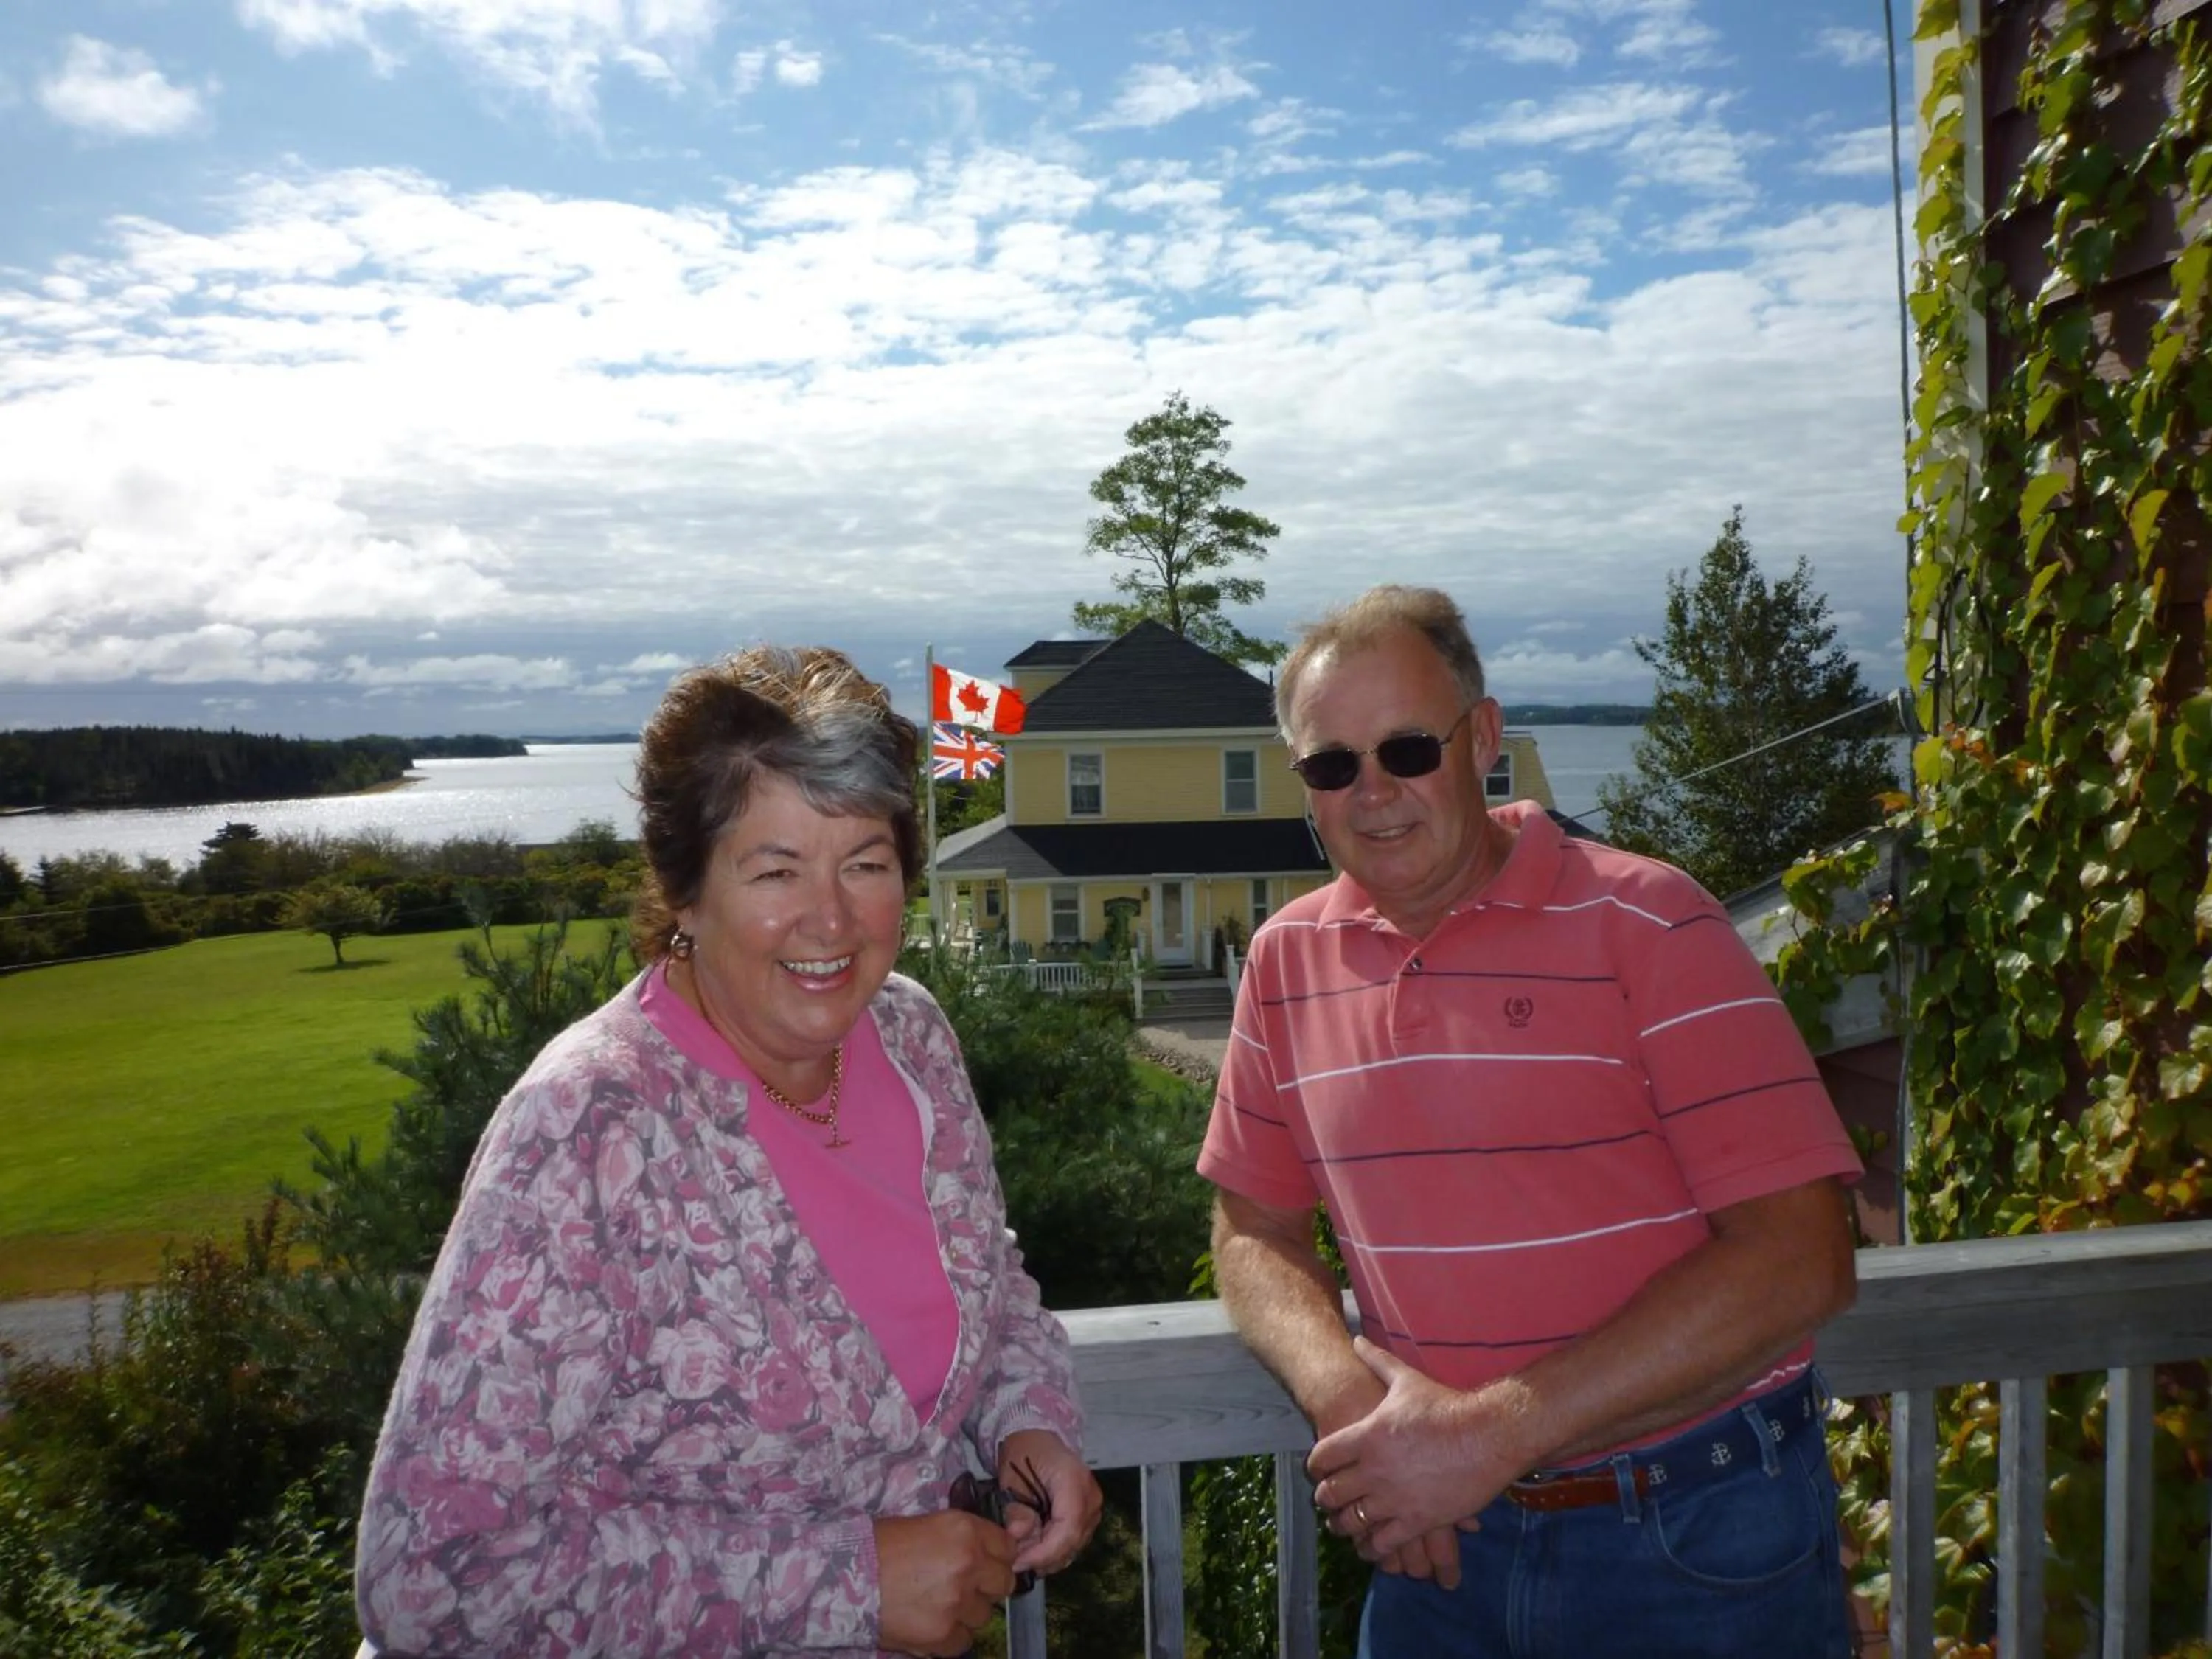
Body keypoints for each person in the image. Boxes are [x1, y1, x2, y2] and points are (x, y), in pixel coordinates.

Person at [355, 645, 1102, 1658]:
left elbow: (991, 1282)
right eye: (775, 868)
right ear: (684, 889)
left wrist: (1031, 1421)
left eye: (866, 863)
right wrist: (851, 1581)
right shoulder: (589, 1128)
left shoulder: (912, 1039)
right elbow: (429, 1572)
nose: (831, 918)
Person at [1198, 585, 1863, 1658]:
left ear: (1485, 738)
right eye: (1334, 765)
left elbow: (1804, 1259)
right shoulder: (1285, 963)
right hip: (1441, 1548)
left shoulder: (1653, 922)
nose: (1374, 793)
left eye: (1408, 748)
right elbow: (1249, 1234)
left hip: (1695, 1539)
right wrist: (1354, 1414)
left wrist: (1488, 1433)